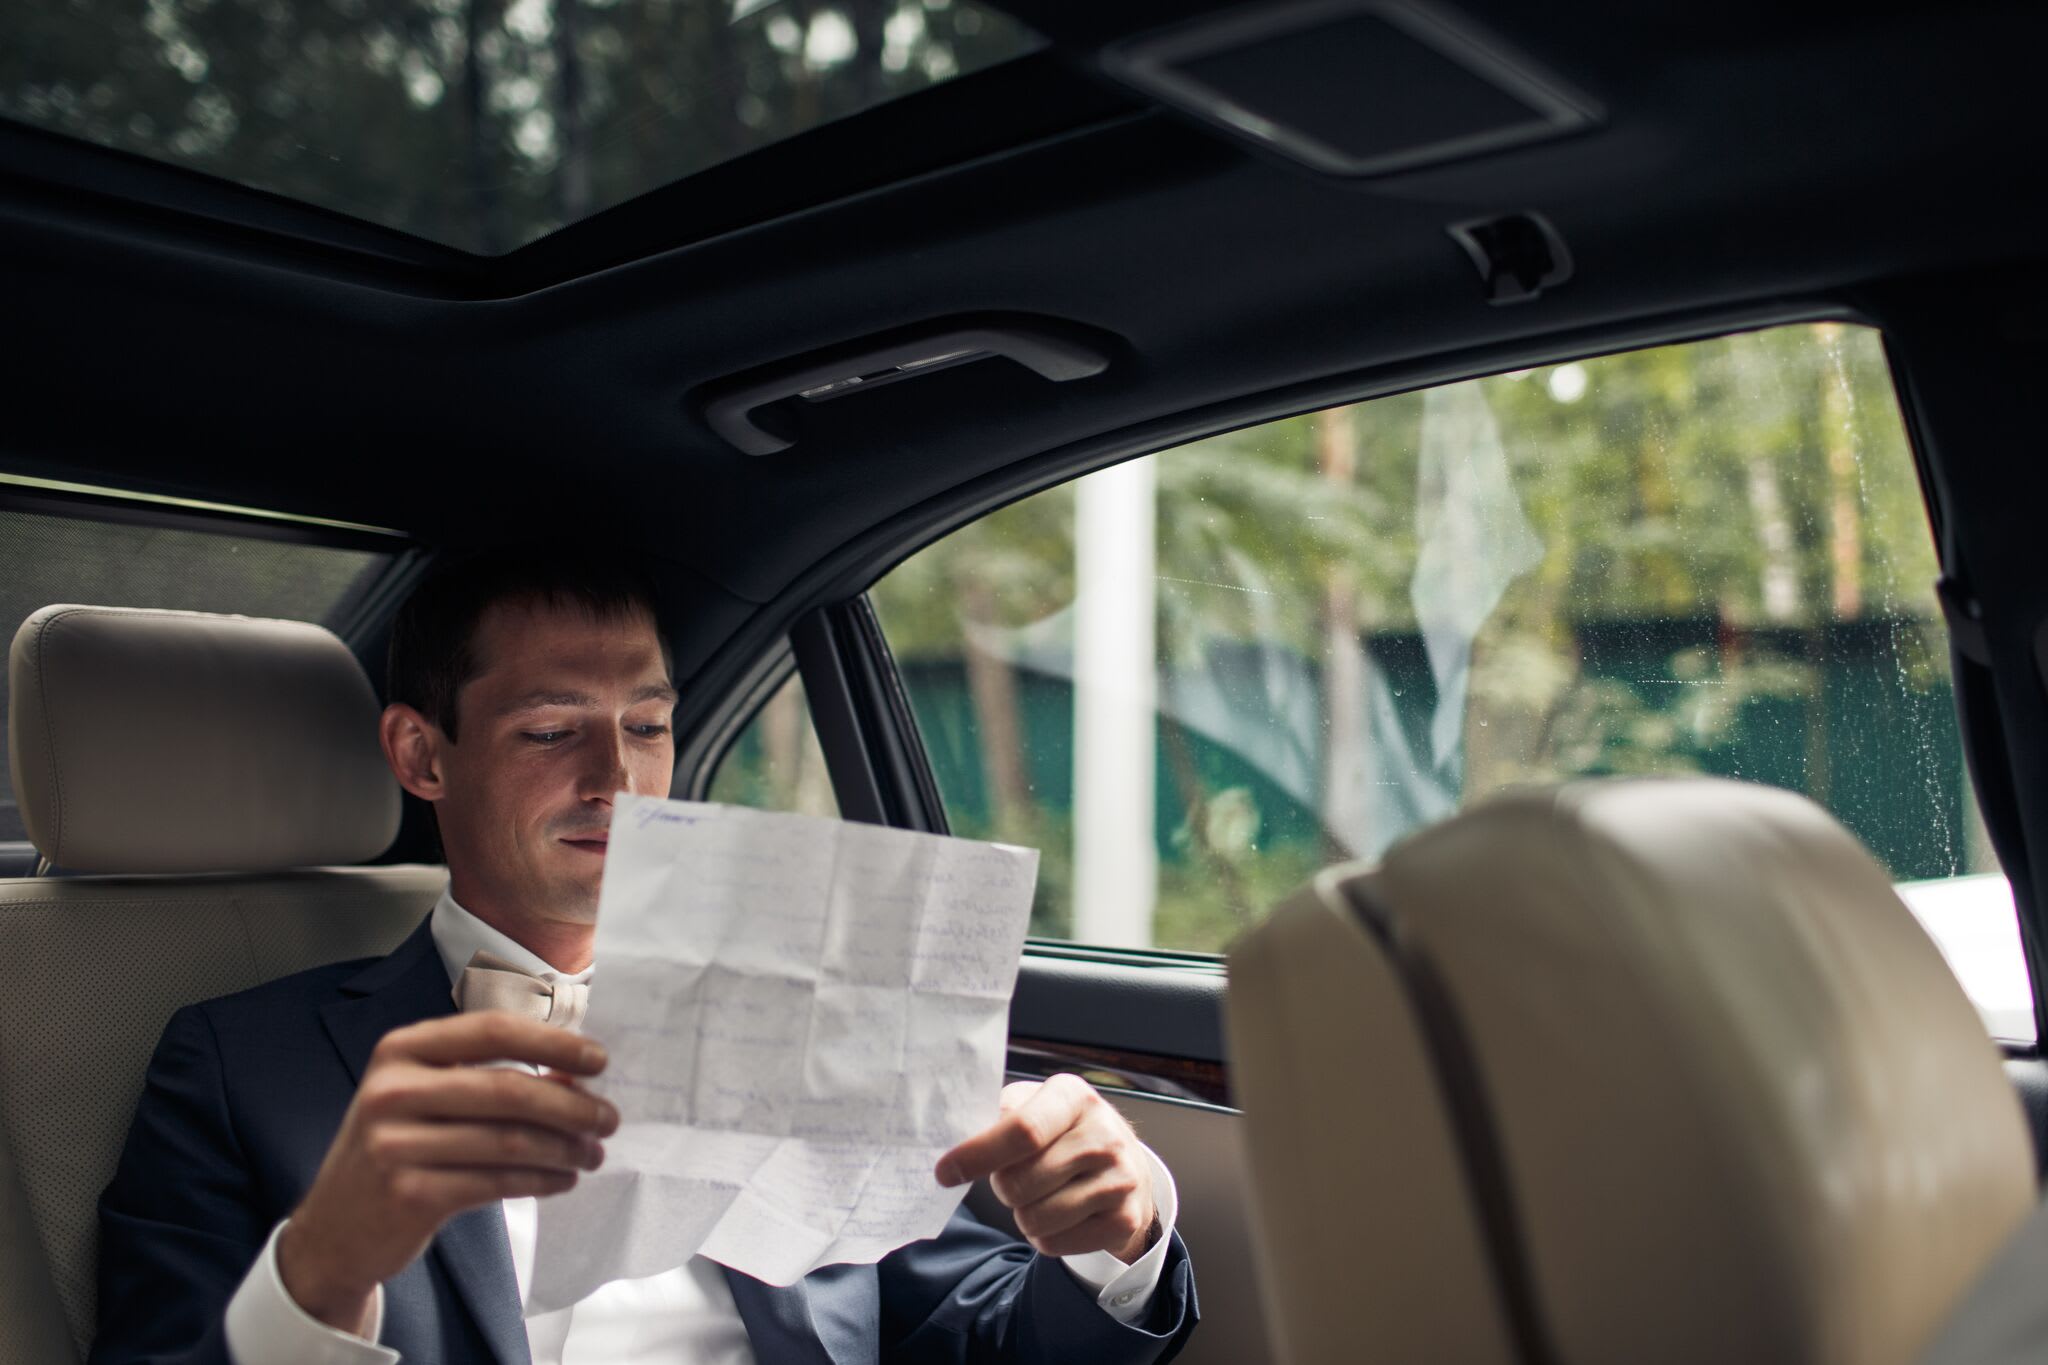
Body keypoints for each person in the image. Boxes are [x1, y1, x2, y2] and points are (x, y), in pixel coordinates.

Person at [89, 548, 1198, 1364]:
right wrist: (320, 1272)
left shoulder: (806, 1020)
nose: (616, 779)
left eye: (649, 726)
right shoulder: (240, 1064)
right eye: (549, 729)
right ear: (422, 754)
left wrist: (1119, 1234)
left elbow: (973, 1332)